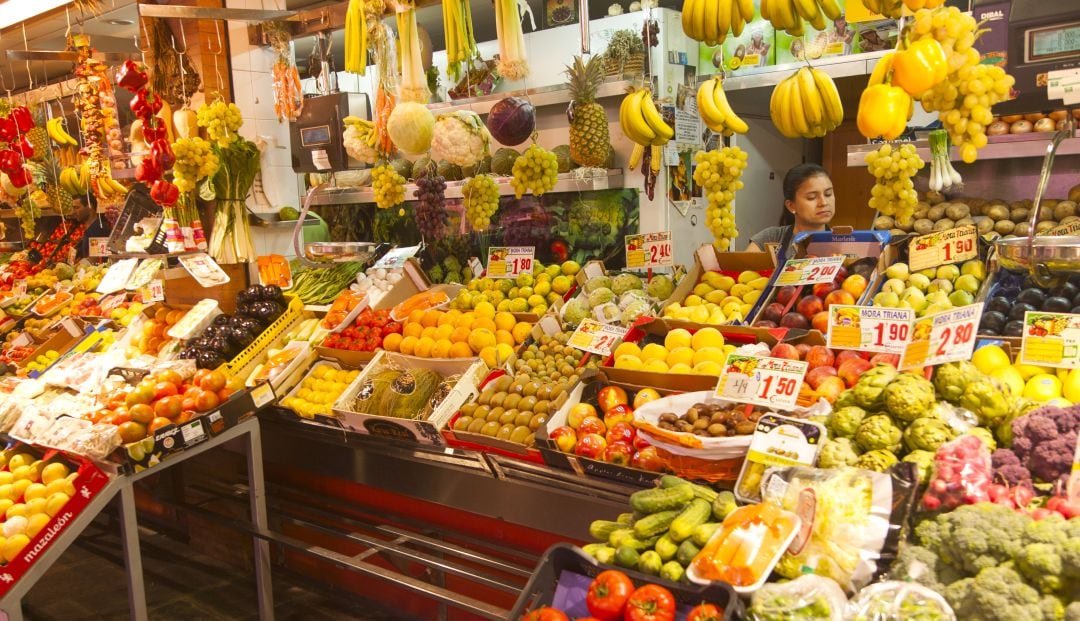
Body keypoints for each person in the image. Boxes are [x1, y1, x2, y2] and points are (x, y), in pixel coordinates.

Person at [747, 163, 834, 258]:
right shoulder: (771, 238)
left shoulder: (845, 241)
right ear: (791, 206)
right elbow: (743, 271)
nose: (824, 202)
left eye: (828, 194)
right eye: (811, 197)